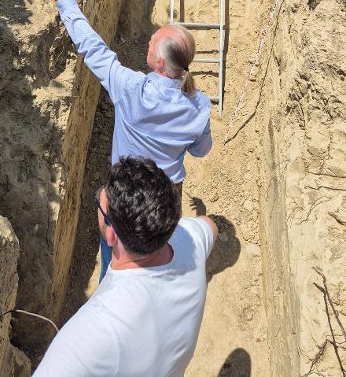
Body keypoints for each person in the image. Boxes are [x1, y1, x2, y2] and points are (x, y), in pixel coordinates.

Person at [48, 0, 212, 278]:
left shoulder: (131, 90)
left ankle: (112, 279)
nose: (149, 40)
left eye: (153, 42)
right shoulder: (199, 106)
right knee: (158, 250)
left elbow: (93, 49)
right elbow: (201, 151)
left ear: (160, 62)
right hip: (168, 196)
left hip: (127, 191)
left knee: (115, 246)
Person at [34, 156, 218, 377]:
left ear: (111, 234)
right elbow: (211, 226)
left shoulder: (92, 333)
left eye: (99, 204)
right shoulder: (192, 243)